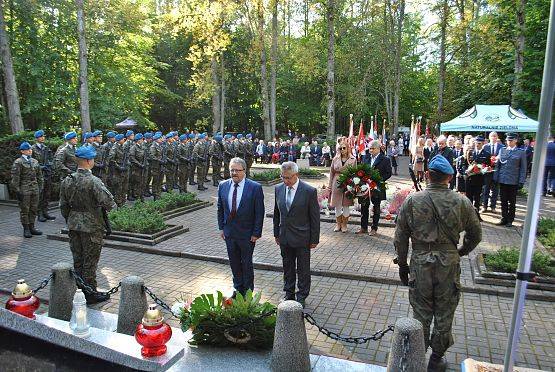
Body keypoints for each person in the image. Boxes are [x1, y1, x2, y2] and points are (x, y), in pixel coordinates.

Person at [394, 155, 482, 372]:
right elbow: (475, 234)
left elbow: (400, 237)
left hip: (420, 262)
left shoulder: (413, 200)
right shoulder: (462, 202)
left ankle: (417, 354)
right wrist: (461, 251)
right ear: (450, 177)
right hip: (448, 263)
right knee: (444, 311)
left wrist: (403, 265)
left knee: (421, 312)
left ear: (427, 175)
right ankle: (437, 358)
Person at [60, 146, 116, 305]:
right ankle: (90, 293)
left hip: (74, 225)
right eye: (92, 159)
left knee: (78, 260)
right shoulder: (93, 181)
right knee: (90, 262)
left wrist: (72, 219)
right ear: (88, 161)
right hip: (91, 227)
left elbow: (63, 206)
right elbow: (109, 203)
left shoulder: (67, 180)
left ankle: (79, 290)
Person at [273, 161, 320, 308]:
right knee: (287, 266)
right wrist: (276, 233)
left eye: (288, 178)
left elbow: (315, 217)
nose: (285, 181)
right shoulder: (278, 189)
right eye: (283, 177)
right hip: (285, 236)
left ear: (296, 175)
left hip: (302, 238)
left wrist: (314, 239)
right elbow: (276, 214)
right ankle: (289, 293)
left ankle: (302, 295)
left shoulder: (309, 191)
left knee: (303, 268)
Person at [217, 157, 265, 298]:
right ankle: (238, 291)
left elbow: (259, 212)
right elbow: (220, 208)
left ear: (244, 171)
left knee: (246, 264)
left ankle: (248, 293)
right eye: (232, 170)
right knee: (234, 263)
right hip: (230, 233)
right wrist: (222, 228)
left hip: (247, 234)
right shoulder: (223, 185)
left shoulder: (255, 187)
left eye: (237, 170)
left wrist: (256, 233)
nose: (234, 173)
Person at [358, 140, 392, 236]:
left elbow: (388, 173)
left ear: (378, 149)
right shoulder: (365, 157)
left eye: (372, 148)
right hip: (365, 186)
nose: (370, 150)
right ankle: (363, 227)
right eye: (369, 148)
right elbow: (361, 170)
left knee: (376, 207)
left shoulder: (385, 159)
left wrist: (378, 180)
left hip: (377, 187)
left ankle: (374, 228)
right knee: (364, 206)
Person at [11, 141, 43, 238]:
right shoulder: (18, 162)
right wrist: (17, 191)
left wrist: (40, 187)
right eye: (27, 150)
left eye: (30, 149)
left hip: (34, 188)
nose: (30, 151)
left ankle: (32, 226)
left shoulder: (34, 161)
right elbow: (15, 178)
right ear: (22, 151)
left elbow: (39, 176)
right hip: (24, 189)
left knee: (34, 208)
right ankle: (26, 228)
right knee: (25, 209)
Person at [494, 133, 527, 227]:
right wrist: (496, 177)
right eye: (508, 140)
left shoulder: (521, 152)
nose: (509, 142)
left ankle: (510, 220)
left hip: (513, 180)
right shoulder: (502, 150)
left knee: (512, 202)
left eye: (511, 140)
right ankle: (504, 218)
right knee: (503, 200)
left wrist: (521, 181)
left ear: (516, 140)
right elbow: (498, 165)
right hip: (503, 179)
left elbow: (523, 168)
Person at [328, 140, 357, 232]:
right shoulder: (335, 159)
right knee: (337, 205)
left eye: (344, 148)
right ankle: (338, 225)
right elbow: (331, 173)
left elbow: (355, 173)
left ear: (348, 148)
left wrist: (355, 185)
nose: (342, 149)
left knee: (346, 205)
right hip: (336, 182)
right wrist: (329, 185)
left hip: (348, 183)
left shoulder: (353, 159)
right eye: (340, 148)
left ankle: (344, 225)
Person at [31, 130, 55, 222]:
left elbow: (50, 159)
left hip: (47, 174)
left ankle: (45, 212)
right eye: (41, 136)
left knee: (47, 194)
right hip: (38, 175)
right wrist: (41, 167)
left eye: (43, 136)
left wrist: (49, 164)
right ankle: (39, 213)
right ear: (37, 138)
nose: (43, 138)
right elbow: (31, 163)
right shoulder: (32, 149)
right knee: (40, 195)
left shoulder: (46, 148)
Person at [467, 136, 490, 220]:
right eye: (476, 143)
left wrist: (482, 170)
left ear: (483, 143)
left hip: (479, 179)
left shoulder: (486, 154)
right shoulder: (470, 152)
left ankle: (476, 215)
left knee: (477, 198)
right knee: (468, 198)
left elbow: (488, 166)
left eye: (479, 143)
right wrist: (466, 171)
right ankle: (468, 216)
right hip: (469, 178)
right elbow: (465, 164)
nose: (477, 145)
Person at [482, 131, 504, 212]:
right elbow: (482, 158)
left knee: (495, 190)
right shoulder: (485, 147)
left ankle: (493, 207)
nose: (493, 138)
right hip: (487, 171)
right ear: (489, 137)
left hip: (497, 171)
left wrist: (497, 160)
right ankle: (484, 206)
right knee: (485, 189)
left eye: (495, 136)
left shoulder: (502, 147)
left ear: (497, 137)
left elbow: (503, 159)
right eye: (492, 136)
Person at [108, 134, 128, 207]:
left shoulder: (123, 146)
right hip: (117, 171)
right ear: (119, 140)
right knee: (118, 188)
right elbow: (111, 159)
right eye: (123, 139)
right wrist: (118, 167)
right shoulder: (114, 148)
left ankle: (123, 202)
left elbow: (126, 157)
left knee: (124, 187)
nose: (124, 140)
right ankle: (118, 204)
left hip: (124, 170)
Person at [129, 133, 147, 201]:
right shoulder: (133, 148)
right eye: (141, 139)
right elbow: (132, 158)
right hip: (136, 168)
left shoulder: (143, 147)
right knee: (137, 183)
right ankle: (137, 197)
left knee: (143, 182)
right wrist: (139, 164)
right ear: (138, 140)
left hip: (143, 167)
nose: (142, 140)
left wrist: (144, 164)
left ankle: (141, 196)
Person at [149, 133, 165, 200]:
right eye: (160, 138)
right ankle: (155, 194)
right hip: (156, 166)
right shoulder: (153, 146)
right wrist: (159, 160)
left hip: (161, 166)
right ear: (157, 139)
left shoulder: (160, 146)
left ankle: (159, 193)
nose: (162, 139)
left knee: (160, 180)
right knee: (156, 181)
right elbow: (152, 156)